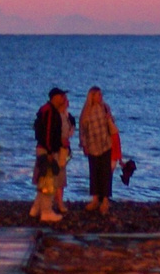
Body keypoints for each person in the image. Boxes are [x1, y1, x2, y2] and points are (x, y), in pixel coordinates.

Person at [78, 86, 120, 212]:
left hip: (105, 143)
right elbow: (82, 129)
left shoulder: (105, 107)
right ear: (92, 96)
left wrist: (109, 118)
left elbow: (111, 122)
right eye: (98, 95)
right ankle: (95, 199)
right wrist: (84, 144)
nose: (100, 97)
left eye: (101, 95)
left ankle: (105, 200)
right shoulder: (86, 111)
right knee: (94, 172)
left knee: (106, 172)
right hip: (92, 144)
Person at [30, 88, 70, 222]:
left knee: (44, 180)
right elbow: (47, 133)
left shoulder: (48, 110)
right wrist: (49, 151)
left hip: (47, 149)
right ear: (54, 97)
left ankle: (36, 208)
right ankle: (46, 211)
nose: (63, 98)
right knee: (48, 181)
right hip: (47, 150)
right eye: (61, 96)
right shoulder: (49, 111)